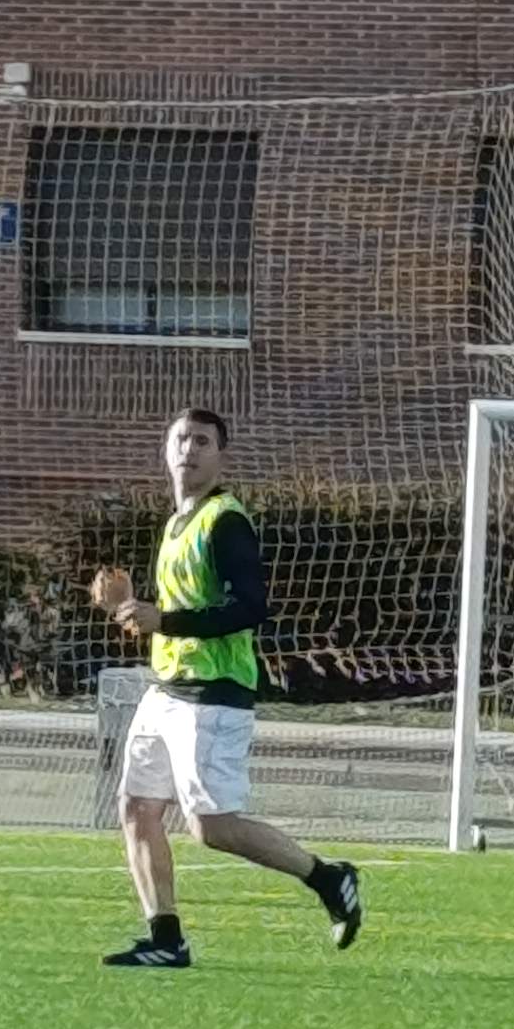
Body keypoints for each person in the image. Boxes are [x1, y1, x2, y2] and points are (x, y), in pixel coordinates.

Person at [85, 407, 363, 967]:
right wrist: (135, 612)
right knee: (137, 808)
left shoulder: (225, 521)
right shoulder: (176, 523)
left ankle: (328, 878)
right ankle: (166, 940)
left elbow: (250, 607)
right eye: (181, 439)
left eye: (202, 441)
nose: (189, 449)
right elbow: (179, 612)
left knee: (212, 828)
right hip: (166, 689)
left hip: (213, 694)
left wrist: (165, 620)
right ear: (166, 450)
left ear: (221, 456)